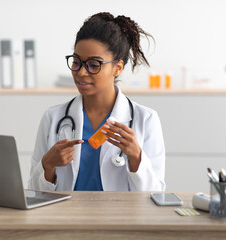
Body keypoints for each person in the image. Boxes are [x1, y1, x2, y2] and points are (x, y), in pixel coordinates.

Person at [28, 12, 165, 191]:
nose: (81, 72)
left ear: (118, 68)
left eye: (94, 65)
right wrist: (47, 166)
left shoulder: (145, 119)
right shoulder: (53, 117)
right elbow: (33, 192)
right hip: (66, 217)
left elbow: (155, 194)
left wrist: (136, 157)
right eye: (76, 62)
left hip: (119, 218)